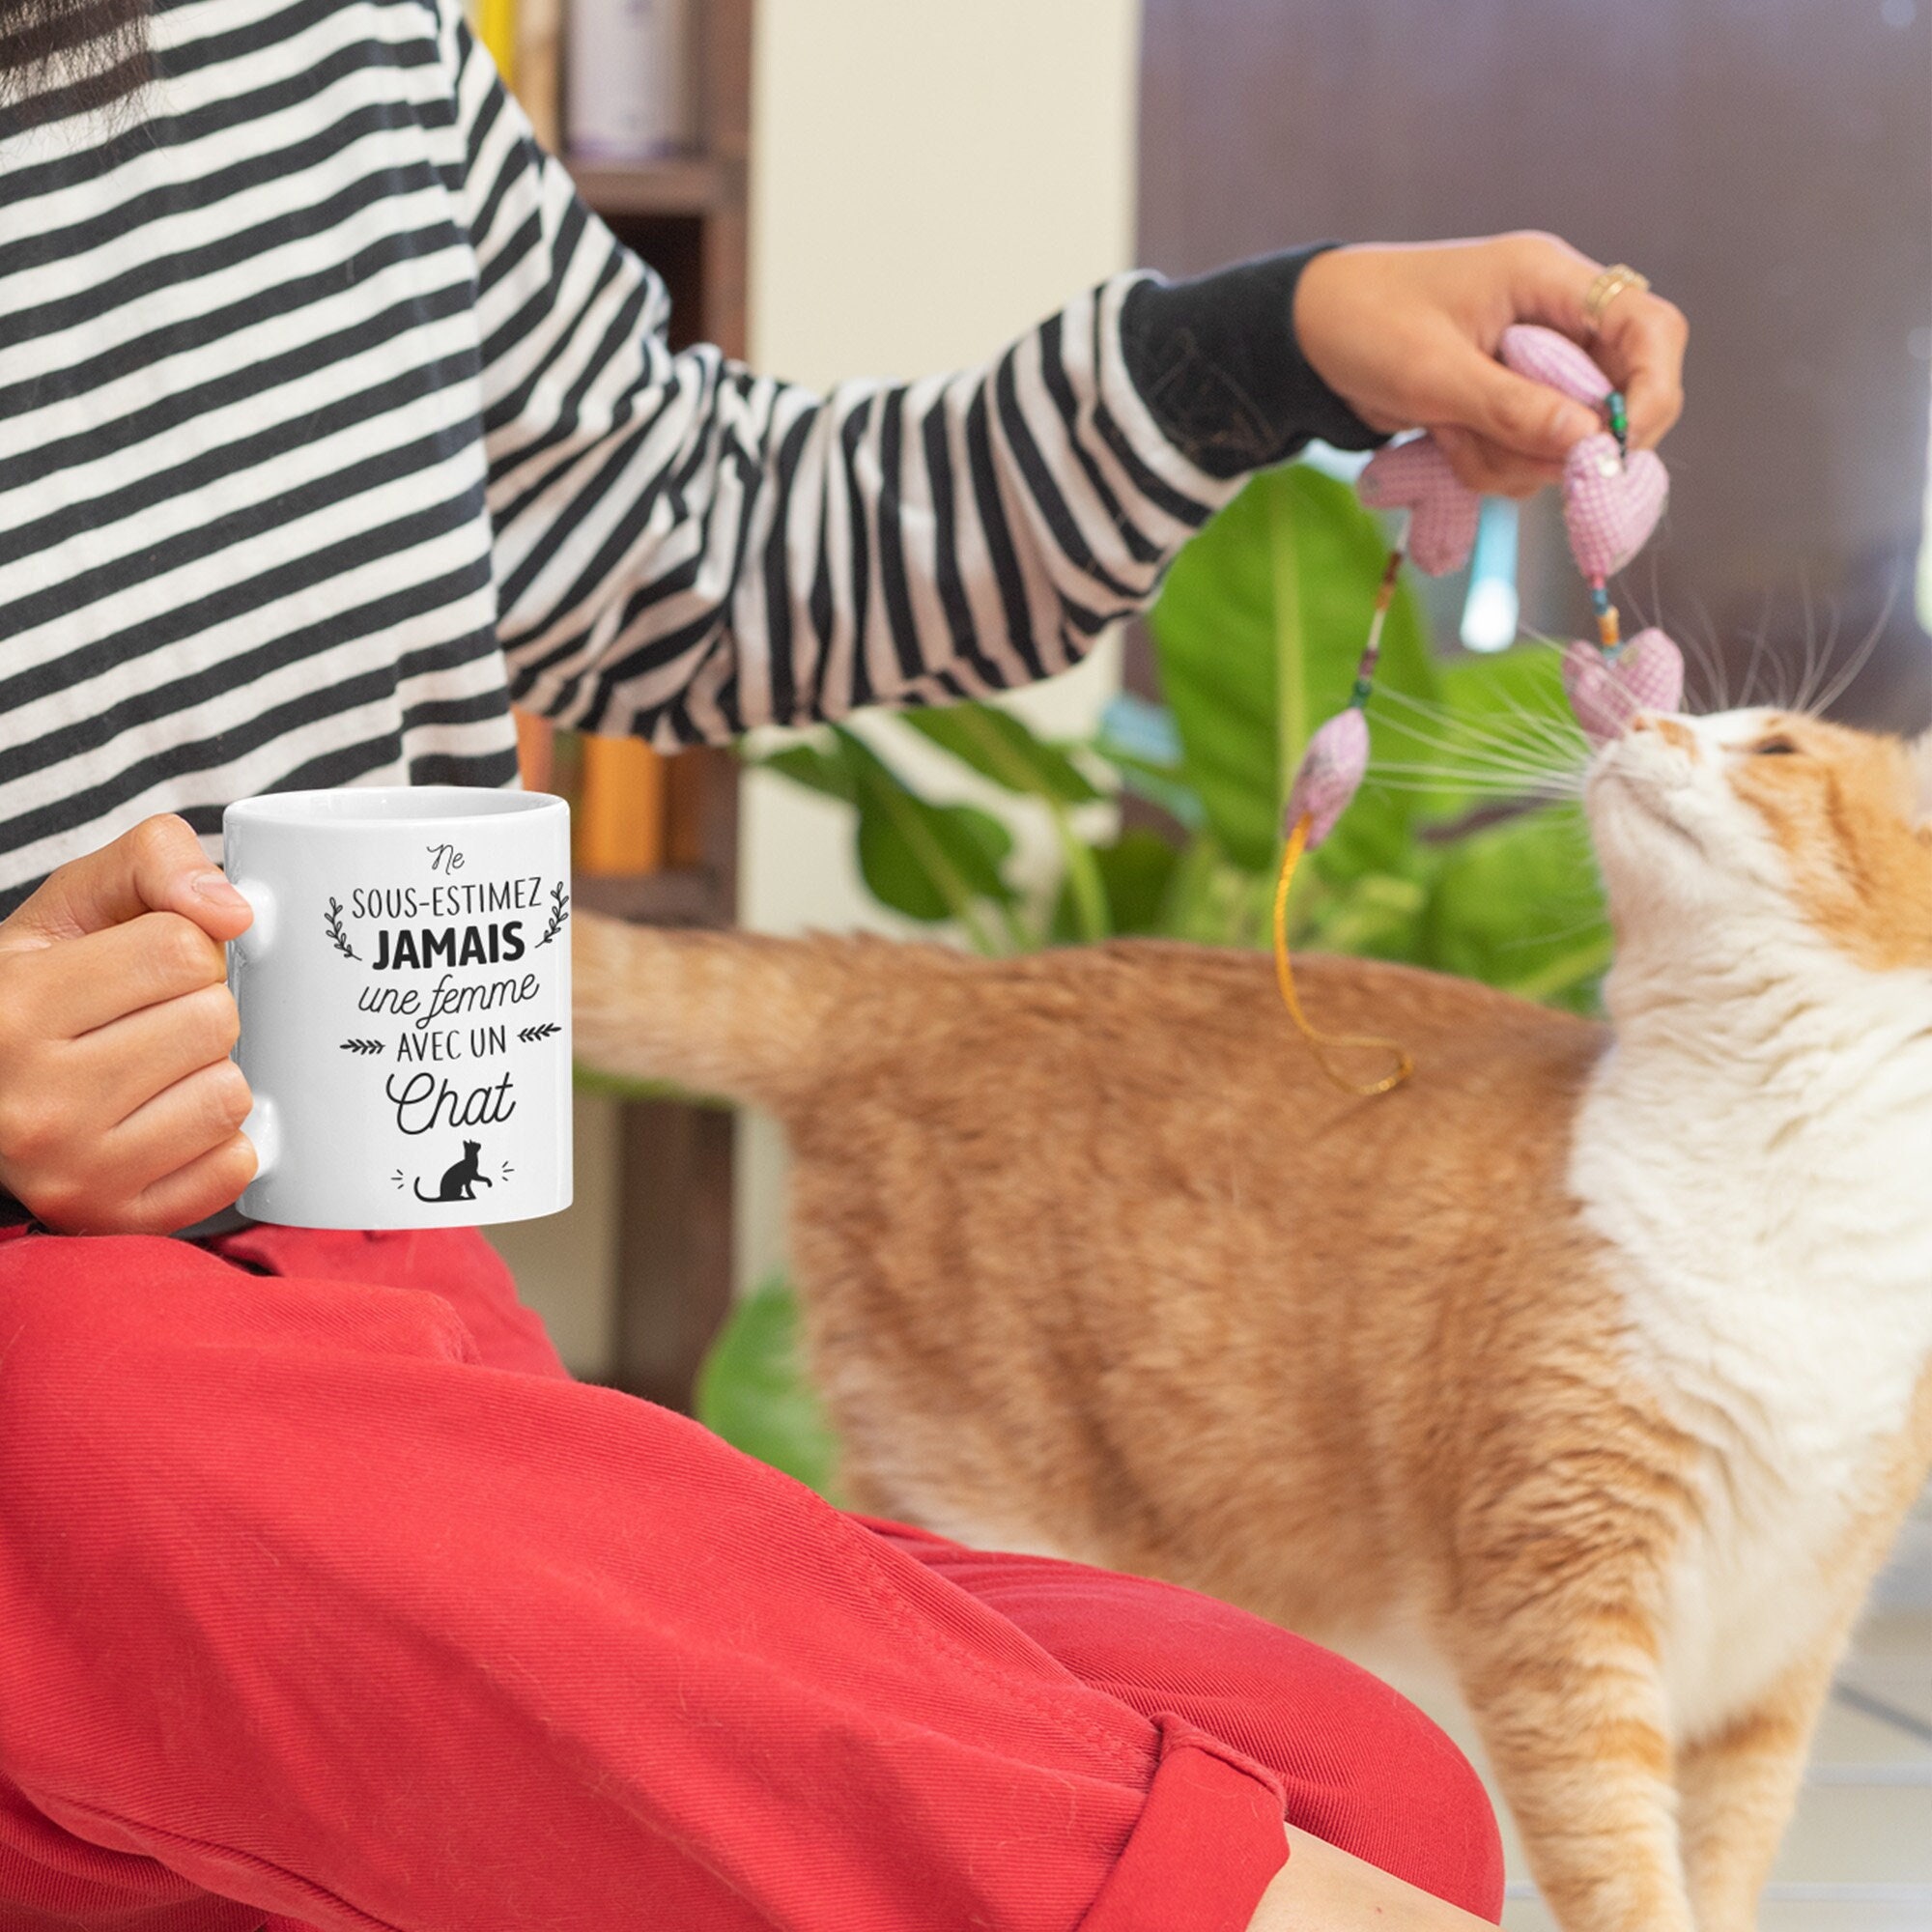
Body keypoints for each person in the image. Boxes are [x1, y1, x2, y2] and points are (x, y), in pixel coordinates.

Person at [0, 0, 1689, 1923]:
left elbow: (697, 542)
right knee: (72, 1387)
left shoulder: (336, 40)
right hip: (82, 1413)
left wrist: (1271, 343)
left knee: (1359, 1782)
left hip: (388, 1340)